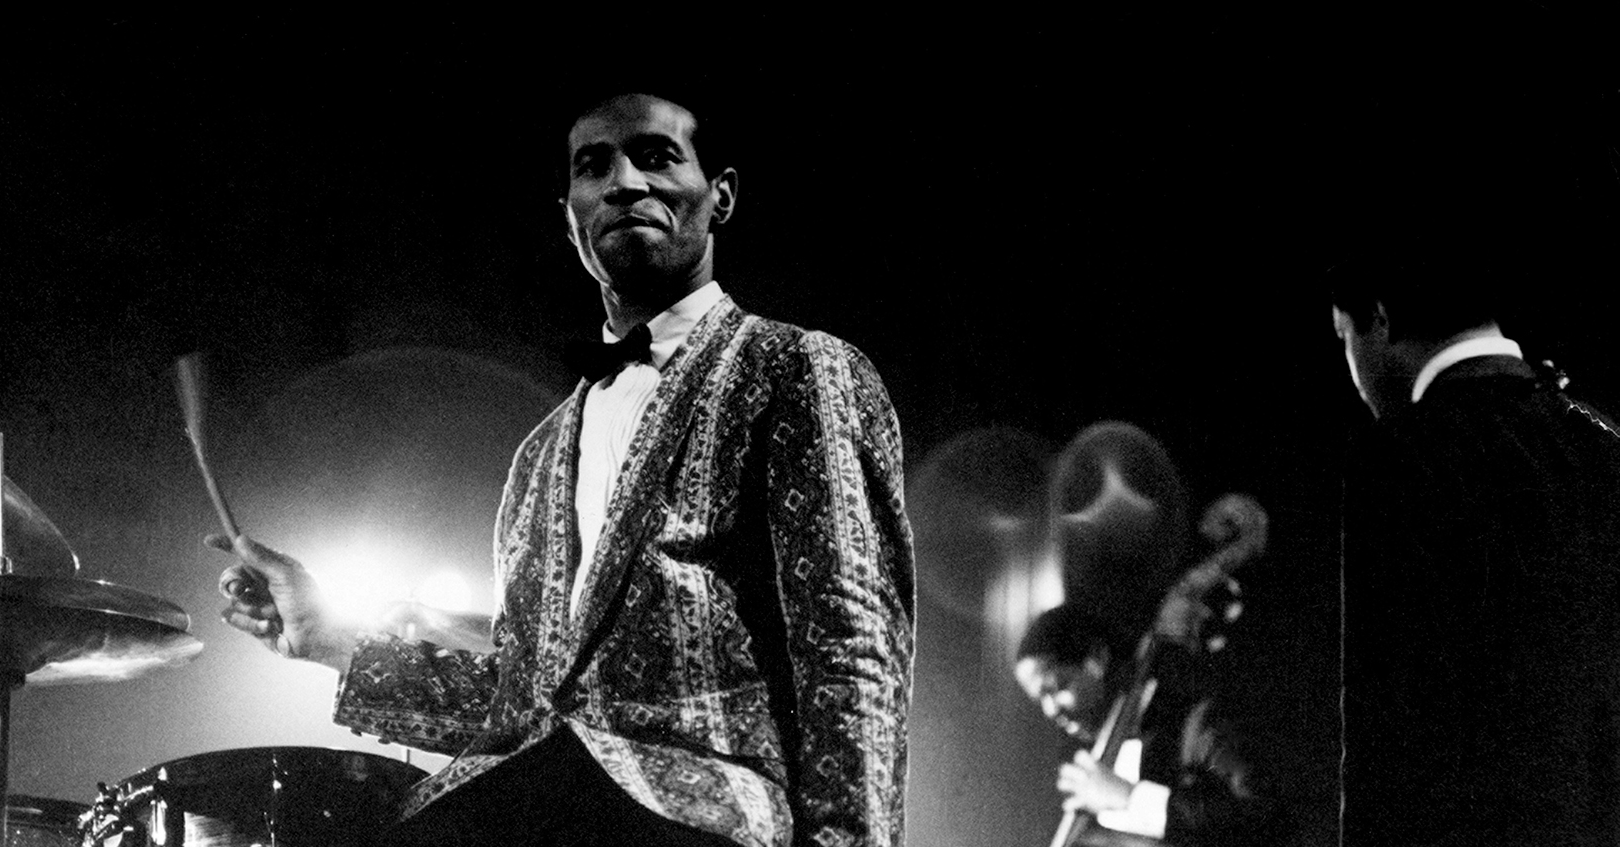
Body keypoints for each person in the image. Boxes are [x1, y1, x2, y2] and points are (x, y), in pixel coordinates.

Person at [208, 92, 915, 847]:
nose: (624, 183)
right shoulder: (537, 458)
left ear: (722, 196)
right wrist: (329, 638)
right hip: (536, 803)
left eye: (655, 156)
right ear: (569, 216)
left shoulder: (796, 367)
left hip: (697, 816)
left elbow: (850, 651)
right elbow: (527, 705)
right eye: (595, 166)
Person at [1331, 276, 1620, 844]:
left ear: (1379, 320)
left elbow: (1388, 749)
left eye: (1343, 335)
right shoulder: (1605, 446)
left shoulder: (1402, 458)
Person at [1014, 604, 1279, 847]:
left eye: (1057, 687)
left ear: (1097, 657)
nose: (1050, 710)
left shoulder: (1193, 720)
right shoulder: (1092, 764)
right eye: (1040, 700)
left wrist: (1132, 798)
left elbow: (1263, 814)